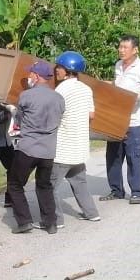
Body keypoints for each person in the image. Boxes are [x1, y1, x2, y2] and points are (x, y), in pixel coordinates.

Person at [5, 60, 64, 234]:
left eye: (31, 74)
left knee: (15, 184)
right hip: (48, 151)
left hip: (28, 149)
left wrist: (12, 110)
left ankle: (24, 222)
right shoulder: (58, 98)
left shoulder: (26, 96)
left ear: (36, 77)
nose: (29, 77)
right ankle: (50, 223)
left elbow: (20, 119)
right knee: (44, 185)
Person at [104, 35, 140, 205]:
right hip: (116, 119)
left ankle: (137, 192)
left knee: (133, 157)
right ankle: (116, 190)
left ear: (135, 50)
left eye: (125, 47)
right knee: (113, 157)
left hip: (134, 121)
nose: (121, 50)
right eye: (120, 47)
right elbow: (118, 85)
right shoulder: (118, 65)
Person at [51, 50, 100, 225]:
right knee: (79, 182)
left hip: (63, 149)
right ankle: (92, 213)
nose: (56, 70)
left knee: (50, 186)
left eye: (60, 67)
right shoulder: (86, 89)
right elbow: (91, 115)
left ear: (68, 70)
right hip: (80, 147)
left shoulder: (61, 89)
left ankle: (55, 220)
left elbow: (54, 114)